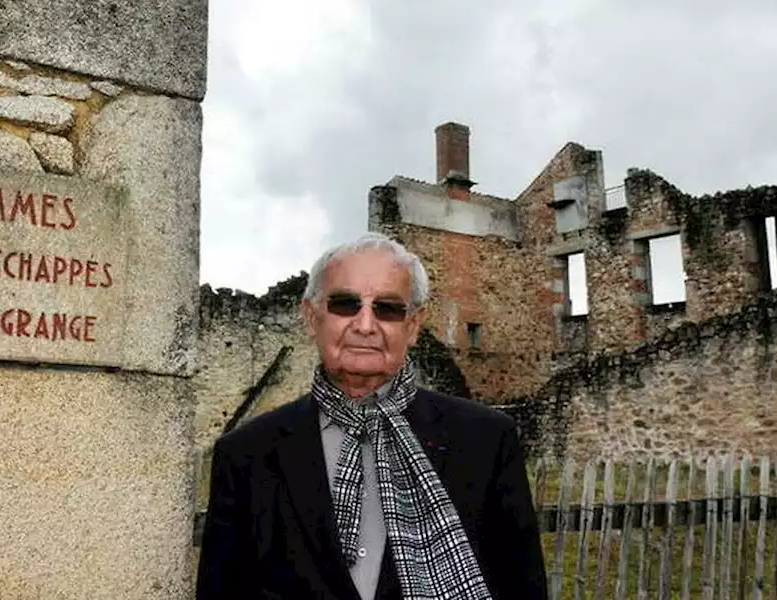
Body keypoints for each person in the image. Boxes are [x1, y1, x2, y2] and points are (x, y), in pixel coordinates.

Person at [195, 232, 548, 600]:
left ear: (413, 326)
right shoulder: (245, 455)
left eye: (388, 309)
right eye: (346, 304)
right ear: (311, 316)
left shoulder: (485, 442)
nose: (365, 325)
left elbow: (521, 588)